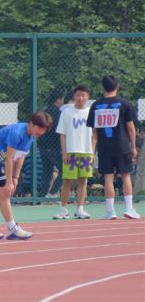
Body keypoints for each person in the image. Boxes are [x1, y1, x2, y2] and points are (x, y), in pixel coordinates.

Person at [0, 112, 54, 240]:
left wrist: (15, 177)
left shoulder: (31, 136)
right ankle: (13, 229)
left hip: (0, 163)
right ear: (31, 124)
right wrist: (9, 182)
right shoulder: (17, 133)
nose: (41, 132)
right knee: (5, 194)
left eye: (44, 129)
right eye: (40, 128)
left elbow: (20, 157)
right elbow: (9, 159)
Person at [87, 75, 139, 220]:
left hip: (105, 147)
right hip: (122, 146)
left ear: (103, 87)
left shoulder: (96, 105)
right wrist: (133, 146)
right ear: (117, 86)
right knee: (126, 175)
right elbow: (131, 128)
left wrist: (92, 150)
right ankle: (129, 208)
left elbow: (94, 132)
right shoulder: (124, 103)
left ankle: (110, 211)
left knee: (108, 178)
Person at [54, 85, 95, 220]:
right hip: (71, 152)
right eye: (78, 95)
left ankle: (80, 209)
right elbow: (62, 134)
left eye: (83, 95)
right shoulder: (66, 112)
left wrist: (92, 152)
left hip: (86, 153)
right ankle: (63, 209)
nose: (81, 98)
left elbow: (94, 135)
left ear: (88, 97)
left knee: (83, 181)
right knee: (67, 180)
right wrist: (64, 152)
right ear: (74, 96)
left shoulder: (91, 112)